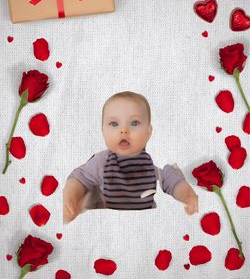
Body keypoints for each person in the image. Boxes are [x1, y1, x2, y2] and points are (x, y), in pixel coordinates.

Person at [63, 91, 198, 224]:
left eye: (134, 123)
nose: (124, 130)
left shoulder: (149, 166)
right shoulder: (102, 161)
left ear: (148, 132)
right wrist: (71, 199)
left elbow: (173, 182)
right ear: (103, 131)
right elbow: (79, 178)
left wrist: (187, 196)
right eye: (114, 124)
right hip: (111, 223)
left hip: (145, 223)